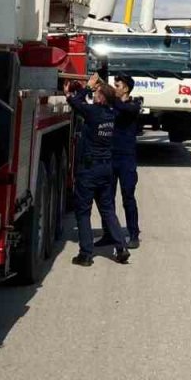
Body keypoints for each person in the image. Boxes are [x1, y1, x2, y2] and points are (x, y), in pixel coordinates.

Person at [65, 78, 130, 267]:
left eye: (96, 94)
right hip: (105, 169)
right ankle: (121, 248)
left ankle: (85, 254)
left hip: (89, 169)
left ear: (101, 99)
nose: (93, 96)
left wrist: (86, 87)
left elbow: (75, 102)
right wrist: (95, 88)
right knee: (108, 209)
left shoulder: (93, 113)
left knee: (83, 212)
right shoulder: (112, 114)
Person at [96, 73, 142, 249]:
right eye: (114, 85)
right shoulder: (112, 106)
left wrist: (108, 93)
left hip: (126, 158)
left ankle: (133, 234)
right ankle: (109, 234)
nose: (115, 88)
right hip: (109, 156)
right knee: (107, 198)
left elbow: (125, 110)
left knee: (128, 197)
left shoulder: (133, 105)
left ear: (126, 89)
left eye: (117, 85)